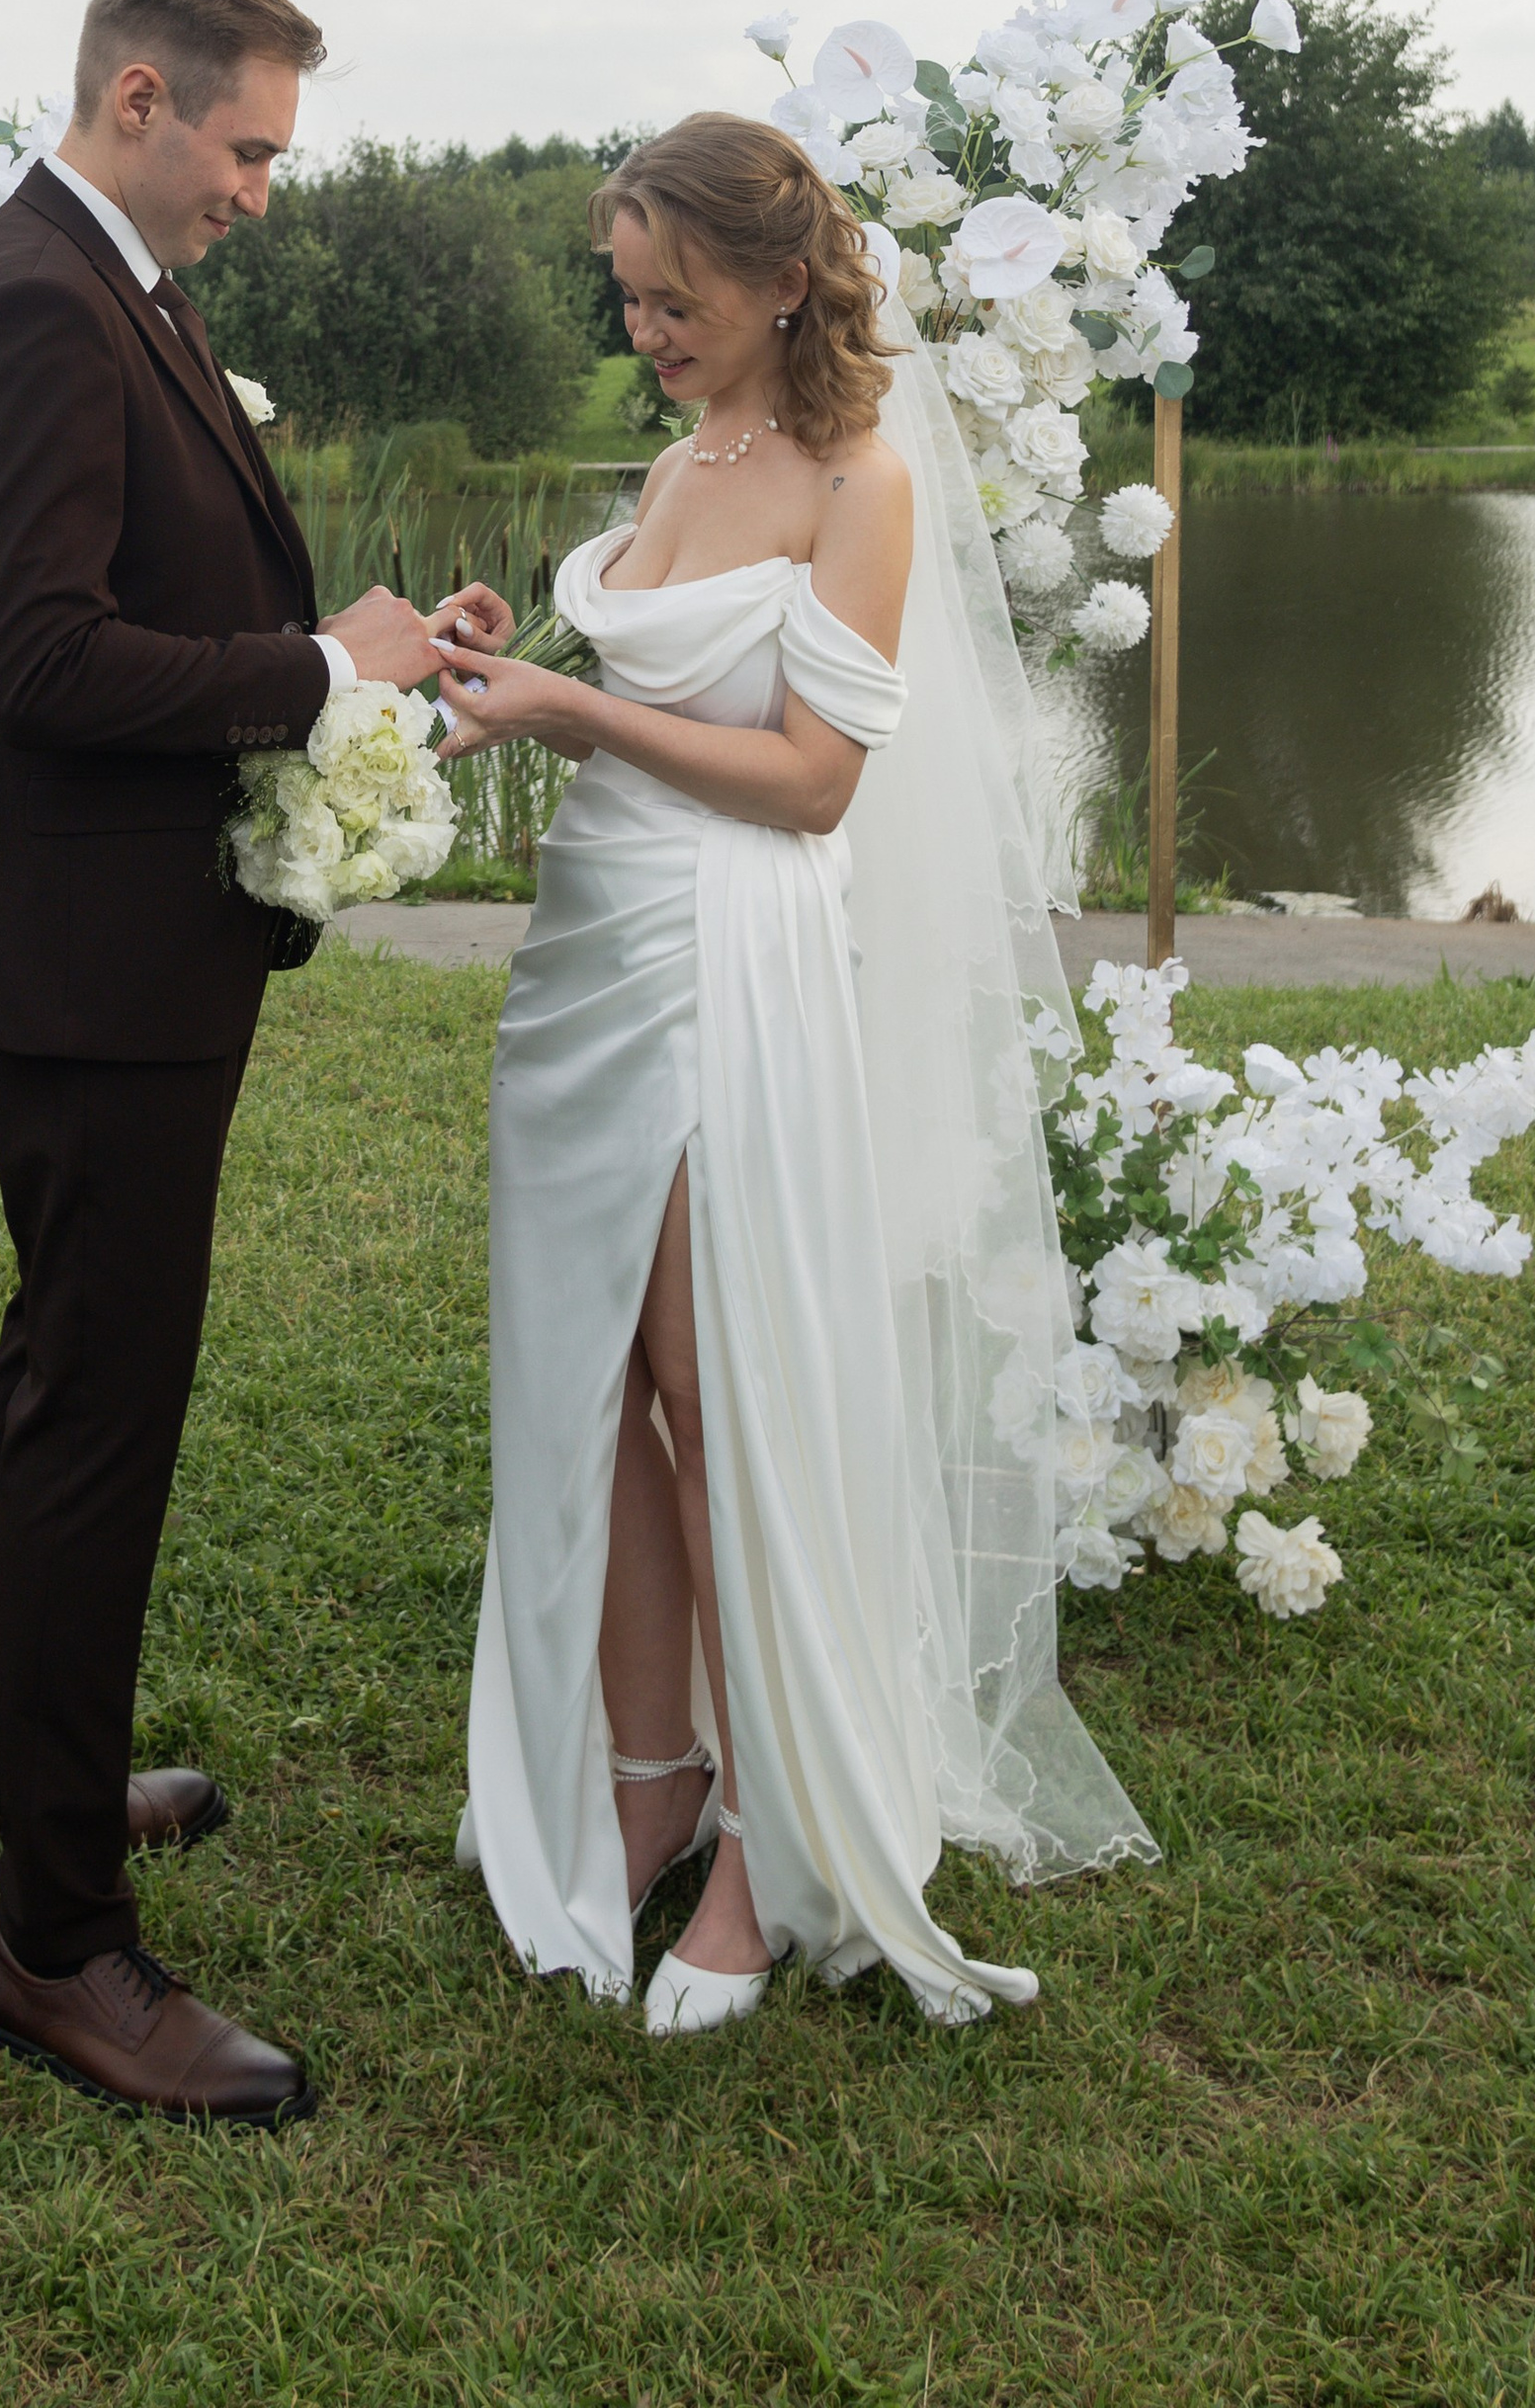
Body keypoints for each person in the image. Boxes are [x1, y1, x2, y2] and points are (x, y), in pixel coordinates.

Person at [437, 115, 1154, 2035]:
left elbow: (815, 784)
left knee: (709, 1378)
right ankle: (648, 1770)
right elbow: (649, 696)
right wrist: (506, 662)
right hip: (584, 962)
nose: (643, 324)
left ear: (776, 279)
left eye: (673, 295)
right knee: (591, 1375)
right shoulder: (681, 461)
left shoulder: (859, 482)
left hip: (728, 960)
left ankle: (766, 1837)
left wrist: (575, 707)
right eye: (625, 291)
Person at [0, 0, 510, 2126]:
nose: (262, 190)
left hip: (124, 937)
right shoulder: (26, 307)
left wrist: (345, 650)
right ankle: (57, 1948)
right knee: (102, 1414)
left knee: (60, 1364)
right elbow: (54, 658)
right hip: (90, 952)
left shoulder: (121, 285)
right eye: (246, 148)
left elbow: (156, 597)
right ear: (140, 96)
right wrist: (304, 676)